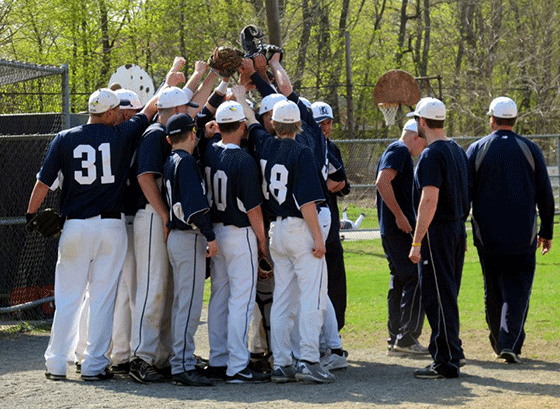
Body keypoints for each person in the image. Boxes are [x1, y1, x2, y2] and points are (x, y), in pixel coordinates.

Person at [26, 83, 168, 381]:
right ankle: (93, 366)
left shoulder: (64, 138)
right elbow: (152, 107)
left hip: (75, 226)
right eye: (117, 112)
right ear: (112, 112)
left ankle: (55, 364)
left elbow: (42, 183)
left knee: (68, 297)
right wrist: (175, 79)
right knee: (103, 298)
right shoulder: (121, 133)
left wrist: (30, 215)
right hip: (111, 227)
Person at [233, 85, 335, 384]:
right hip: (299, 229)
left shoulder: (264, 144)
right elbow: (306, 203)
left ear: (274, 124)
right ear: (299, 125)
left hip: (275, 228)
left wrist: (240, 95)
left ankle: (281, 363)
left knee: (282, 299)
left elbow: (251, 122)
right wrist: (318, 238)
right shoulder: (302, 151)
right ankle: (308, 359)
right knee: (312, 297)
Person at [466, 96, 554, 364]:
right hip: (522, 235)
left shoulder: (477, 148)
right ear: (515, 120)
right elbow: (546, 196)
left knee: (492, 289)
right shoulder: (530, 149)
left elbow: (465, 193)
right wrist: (547, 232)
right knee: (517, 289)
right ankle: (509, 343)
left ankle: (499, 342)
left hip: (487, 235)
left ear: (492, 118)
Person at [129, 83, 199, 384]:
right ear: (174, 110)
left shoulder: (165, 131)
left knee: (168, 289)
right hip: (151, 216)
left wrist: (203, 75)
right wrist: (164, 215)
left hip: (162, 218)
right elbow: (145, 177)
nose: (187, 112)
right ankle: (141, 357)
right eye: (184, 108)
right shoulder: (155, 134)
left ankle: (164, 355)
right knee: (152, 286)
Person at [203, 100, 270, 383]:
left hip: (216, 231)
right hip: (239, 231)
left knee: (219, 297)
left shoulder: (208, 150)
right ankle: (237, 365)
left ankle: (218, 359)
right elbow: (253, 209)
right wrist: (263, 243)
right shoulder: (243, 159)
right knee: (241, 300)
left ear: (219, 126)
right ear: (243, 125)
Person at [407, 97, 469, 379]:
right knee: (448, 293)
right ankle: (452, 350)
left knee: (437, 296)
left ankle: (446, 361)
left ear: (422, 121)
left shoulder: (432, 154)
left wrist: (417, 241)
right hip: (456, 229)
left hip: (438, 231)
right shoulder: (456, 148)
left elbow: (429, 198)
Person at [161, 113, 218, 387]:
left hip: (177, 237)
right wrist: (210, 235)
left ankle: (180, 360)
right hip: (187, 236)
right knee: (189, 305)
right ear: (192, 134)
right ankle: (182, 365)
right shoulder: (185, 162)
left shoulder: (171, 160)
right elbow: (195, 207)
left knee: (182, 302)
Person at [375, 118, 428, 356]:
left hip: (394, 229)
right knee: (415, 277)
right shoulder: (399, 150)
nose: (423, 150)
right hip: (398, 229)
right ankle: (406, 338)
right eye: (423, 143)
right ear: (415, 136)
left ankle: (395, 336)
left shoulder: (396, 152)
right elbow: (382, 181)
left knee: (398, 280)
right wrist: (399, 215)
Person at [311, 101, 351, 332]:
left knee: (336, 278)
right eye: (320, 124)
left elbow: (344, 184)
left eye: (328, 123)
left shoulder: (332, 148)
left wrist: (335, 184)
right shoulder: (308, 148)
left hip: (332, 223)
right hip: (313, 223)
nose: (325, 128)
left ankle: (336, 330)